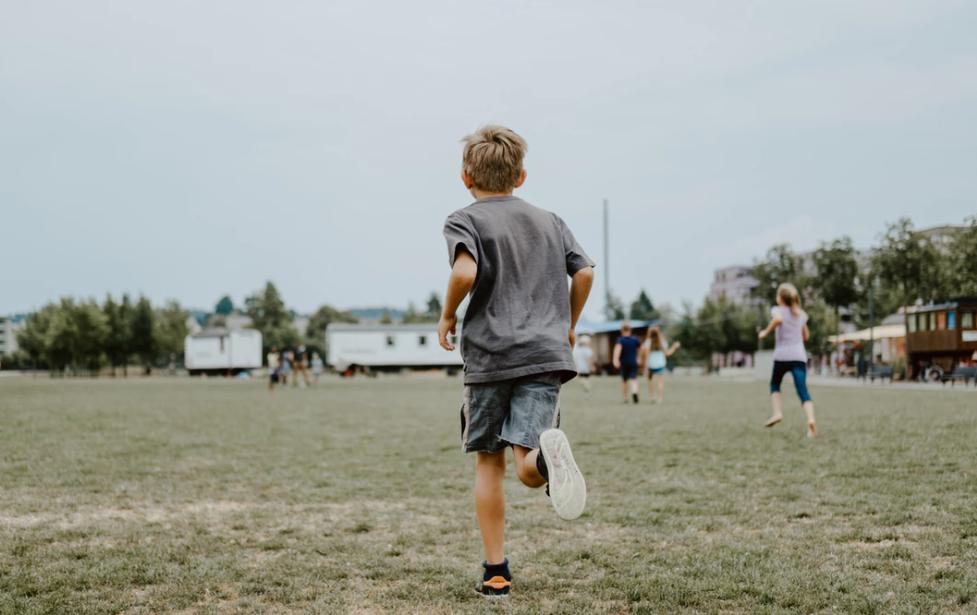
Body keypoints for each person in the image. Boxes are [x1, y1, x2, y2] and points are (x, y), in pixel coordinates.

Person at [438, 125, 594, 597]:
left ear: (466, 177)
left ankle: (496, 572)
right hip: (545, 354)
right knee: (526, 460)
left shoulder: (465, 220)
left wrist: (447, 316)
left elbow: (465, 271)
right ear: (521, 176)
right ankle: (544, 460)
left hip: (490, 358)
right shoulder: (551, 221)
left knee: (490, 464)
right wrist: (568, 322)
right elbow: (584, 271)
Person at [758, 282, 817, 438]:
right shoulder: (801, 314)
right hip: (798, 356)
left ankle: (777, 413)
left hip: (782, 356)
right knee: (803, 391)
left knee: (775, 384)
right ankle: (811, 421)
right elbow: (806, 336)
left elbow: (777, 320)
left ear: (780, 298)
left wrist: (765, 332)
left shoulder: (778, 310)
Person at [639, 326, 680, 403]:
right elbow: (668, 353)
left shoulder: (648, 342)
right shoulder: (662, 342)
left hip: (651, 365)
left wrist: (645, 368)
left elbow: (646, 356)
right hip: (660, 364)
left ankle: (652, 397)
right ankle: (660, 399)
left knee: (650, 382)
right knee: (660, 382)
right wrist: (674, 346)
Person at [612, 322, 641, 403]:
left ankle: (625, 398)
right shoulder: (635, 339)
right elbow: (639, 350)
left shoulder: (620, 340)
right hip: (633, 361)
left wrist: (615, 360)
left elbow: (617, 350)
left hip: (624, 362)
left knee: (624, 380)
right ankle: (634, 392)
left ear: (621, 330)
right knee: (634, 379)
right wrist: (638, 358)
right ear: (630, 330)